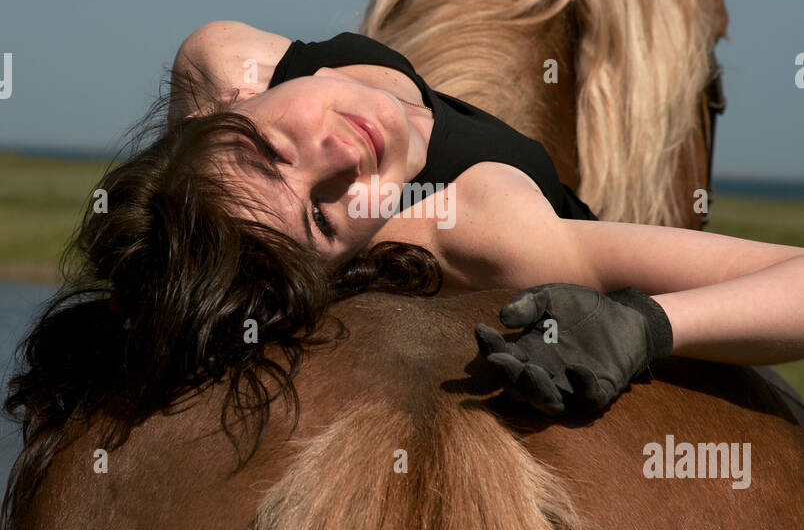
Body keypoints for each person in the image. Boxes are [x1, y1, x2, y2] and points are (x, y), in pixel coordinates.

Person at [166, 21, 804, 419]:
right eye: (324, 217)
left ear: (232, 103)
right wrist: (649, 325)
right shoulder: (482, 229)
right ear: (341, 259)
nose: (340, 156)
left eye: (271, 153)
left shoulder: (219, 60)